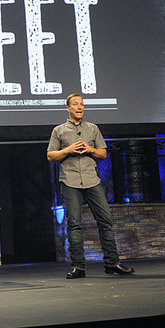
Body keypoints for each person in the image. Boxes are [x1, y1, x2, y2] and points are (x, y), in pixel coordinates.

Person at [47, 93, 134, 279]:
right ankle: (78, 266)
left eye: (82, 105)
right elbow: (51, 156)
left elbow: (103, 153)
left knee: (105, 220)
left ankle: (112, 263)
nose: (80, 107)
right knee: (74, 224)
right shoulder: (59, 131)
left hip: (92, 180)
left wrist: (90, 149)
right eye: (76, 105)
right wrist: (68, 150)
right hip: (70, 181)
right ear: (68, 108)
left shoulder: (93, 129)